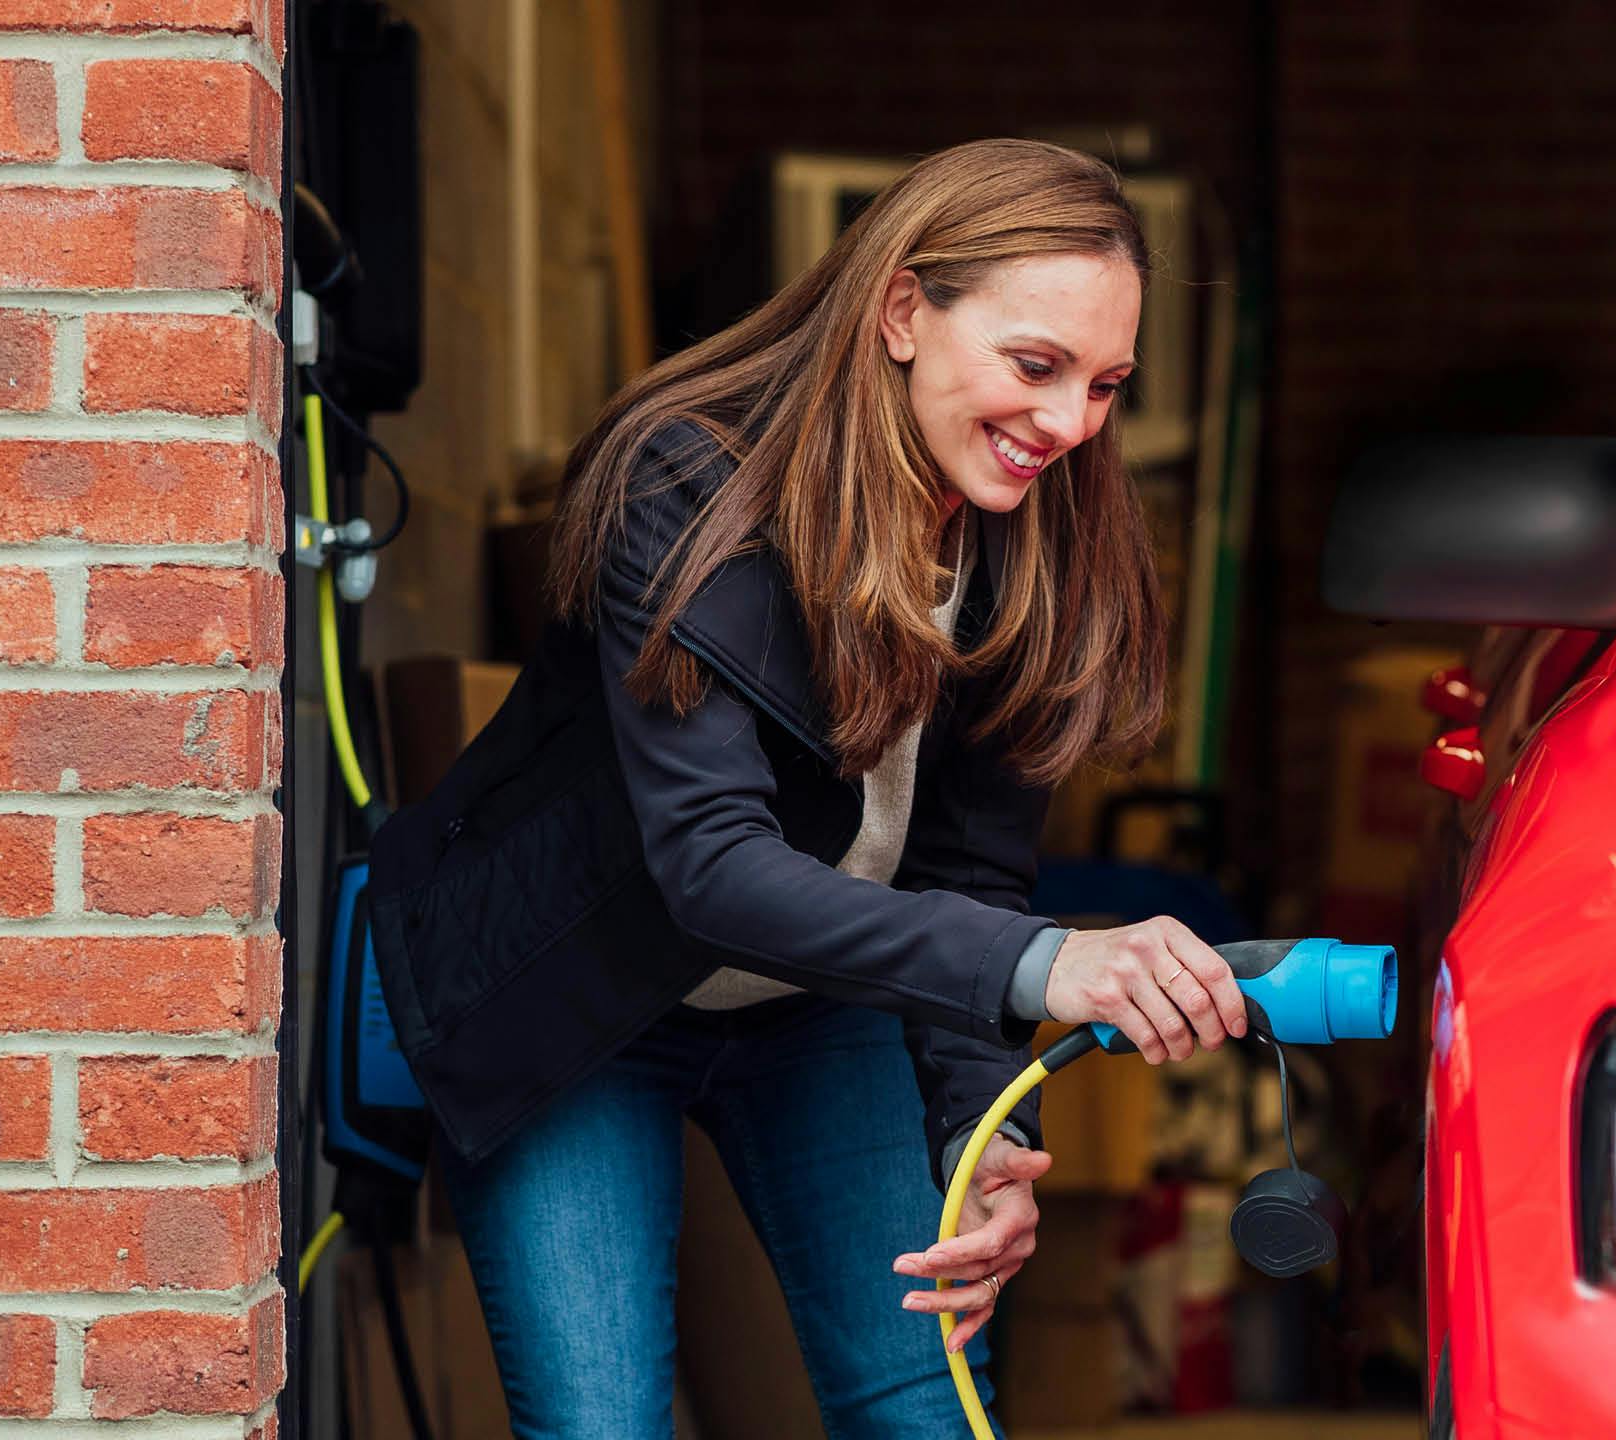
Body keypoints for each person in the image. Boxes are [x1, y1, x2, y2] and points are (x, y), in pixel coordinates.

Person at [364, 138, 1248, 1437]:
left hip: (818, 1011)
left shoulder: (1035, 539)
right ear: (903, 309)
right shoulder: (685, 481)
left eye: (1106, 384)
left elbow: (968, 876)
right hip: (579, 1001)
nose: (1069, 425)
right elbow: (711, 868)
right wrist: (1050, 964)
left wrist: (977, 1127)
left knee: (922, 1410)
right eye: (1035, 365)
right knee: (601, 1422)